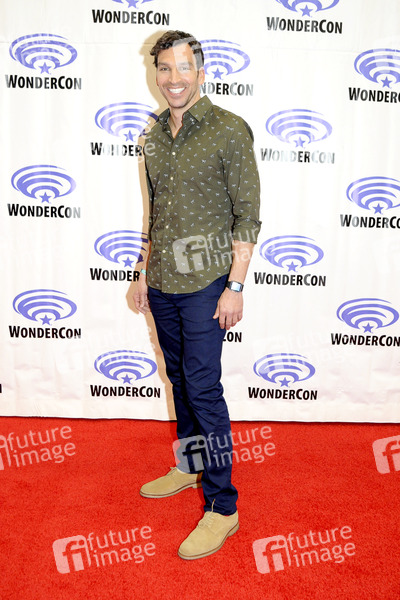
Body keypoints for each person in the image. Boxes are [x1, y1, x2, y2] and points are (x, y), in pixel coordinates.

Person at [133, 30, 261, 560]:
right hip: (162, 280)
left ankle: (223, 507)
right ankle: (189, 466)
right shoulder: (153, 134)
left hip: (207, 282)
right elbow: (157, 210)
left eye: (183, 68)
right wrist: (142, 271)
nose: (173, 78)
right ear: (156, 74)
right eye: (164, 68)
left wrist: (235, 286)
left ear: (201, 73)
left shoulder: (230, 129)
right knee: (179, 379)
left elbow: (247, 216)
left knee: (204, 390)